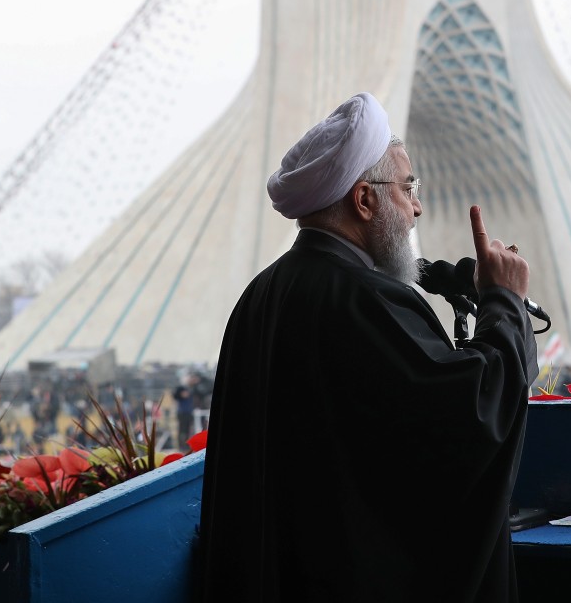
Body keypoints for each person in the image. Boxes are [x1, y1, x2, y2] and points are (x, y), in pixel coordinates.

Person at [198, 93, 537, 602]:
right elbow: (476, 413)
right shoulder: (363, 300)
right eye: (408, 188)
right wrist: (505, 303)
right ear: (364, 200)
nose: (417, 207)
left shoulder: (262, 294)